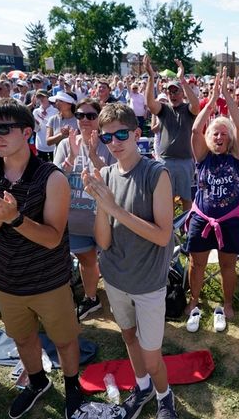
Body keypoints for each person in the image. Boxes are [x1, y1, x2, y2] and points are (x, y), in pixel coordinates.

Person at [0, 98, 82, 419]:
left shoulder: (52, 177)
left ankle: (72, 385)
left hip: (49, 279)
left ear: (28, 132)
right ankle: (37, 382)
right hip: (7, 280)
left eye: (4, 128)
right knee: (23, 338)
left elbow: (52, 237)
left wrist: (14, 217)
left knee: (65, 340)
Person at [82, 103, 178, 419]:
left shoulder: (156, 173)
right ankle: (143, 387)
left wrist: (115, 209)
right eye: (107, 137)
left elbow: (164, 236)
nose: (115, 142)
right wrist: (101, 204)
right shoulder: (106, 175)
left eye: (121, 134)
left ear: (137, 133)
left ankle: (165, 396)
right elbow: (104, 241)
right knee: (127, 336)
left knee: (152, 359)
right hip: (115, 278)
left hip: (148, 282)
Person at [184, 68, 239, 333]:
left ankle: (227, 304)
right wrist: (210, 101)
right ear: (209, 139)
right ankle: (194, 300)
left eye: (224, 133)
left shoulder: (237, 158)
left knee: (227, 266)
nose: (219, 137)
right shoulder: (203, 157)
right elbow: (195, 129)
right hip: (202, 218)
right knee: (196, 263)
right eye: (215, 134)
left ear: (230, 138)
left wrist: (226, 96)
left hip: (230, 220)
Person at [54, 98, 115, 320]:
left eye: (90, 115)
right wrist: (70, 157)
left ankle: (119, 298)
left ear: (99, 119)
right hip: (74, 218)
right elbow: (57, 179)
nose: (85, 120)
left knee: (109, 260)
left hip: (101, 217)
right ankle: (91, 298)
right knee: (86, 260)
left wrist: (92, 156)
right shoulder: (64, 144)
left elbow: (114, 178)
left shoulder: (108, 143)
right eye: (80, 115)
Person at [144, 55, 200, 212]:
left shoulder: (188, 109)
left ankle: (186, 228)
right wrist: (150, 77)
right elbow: (149, 103)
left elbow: (196, 105)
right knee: (166, 198)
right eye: (170, 92)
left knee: (186, 198)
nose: (173, 95)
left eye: (176, 91)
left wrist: (182, 79)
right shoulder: (164, 109)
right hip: (165, 160)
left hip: (184, 161)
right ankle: (167, 229)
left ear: (182, 93)